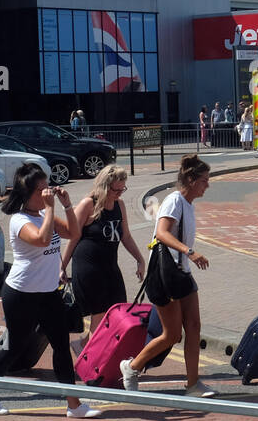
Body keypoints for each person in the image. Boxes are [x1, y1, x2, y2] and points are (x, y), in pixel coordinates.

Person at [0, 163, 95, 417]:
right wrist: (52, 208)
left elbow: (74, 233)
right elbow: (42, 240)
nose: (47, 194)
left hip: (48, 291)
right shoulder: (19, 220)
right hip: (21, 293)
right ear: (27, 194)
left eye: (48, 188)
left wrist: (66, 205)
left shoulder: (46, 214)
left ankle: (73, 405)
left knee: (61, 345)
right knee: (14, 345)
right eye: (42, 190)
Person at [119, 155, 215, 396]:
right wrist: (189, 251)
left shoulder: (188, 204)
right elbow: (161, 233)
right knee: (172, 334)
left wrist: (187, 258)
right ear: (192, 180)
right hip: (165, 275)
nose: (208, 185)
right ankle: (131, 367)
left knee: (194, 326)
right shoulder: (174, 200)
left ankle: (193, 384)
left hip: (182, 273)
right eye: (204, 180)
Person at [63, 165, 145, 336]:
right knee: (99, 315)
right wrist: (61, 266)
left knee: (118, 309)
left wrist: (140, 259)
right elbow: (73, 237)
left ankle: (84, 347)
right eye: (117, 190)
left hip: (110, 267)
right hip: (88, 267)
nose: (120, 193)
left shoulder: (119, 205)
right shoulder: (88, 204)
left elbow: (126, 236)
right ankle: (92, 357)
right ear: (105, 186)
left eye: (123, 189)